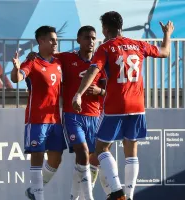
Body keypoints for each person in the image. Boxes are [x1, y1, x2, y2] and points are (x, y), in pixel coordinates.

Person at [72, 11, 174, 200]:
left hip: (116, 105)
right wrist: (167, 33)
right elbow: (166, 52)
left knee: (101, 148)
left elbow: (93, 71)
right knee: (131, 151)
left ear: (105, 28)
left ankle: (118, 191)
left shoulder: (106, 47)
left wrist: (78, 93)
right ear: (121, 26)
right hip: (138, 105)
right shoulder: (139, 44)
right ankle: (129, 195)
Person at [27, 26, 111, 200]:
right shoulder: (66, 58)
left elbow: (111, 90)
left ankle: (62, 194)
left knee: (90, 159)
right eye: (87, 38)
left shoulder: (101, 62)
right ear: (79, 40)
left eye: (94, 38)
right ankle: (88, 197)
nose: (91, 42)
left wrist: (100, 92)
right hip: (72, 115)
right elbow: (45, 58)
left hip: (95, 116)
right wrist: (32, 55)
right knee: (83, 153)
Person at [11, 26, 67, 200]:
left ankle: (34, 190)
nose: (55, 43)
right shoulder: (32, 61)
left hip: (55, 119)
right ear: (40, 41)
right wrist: (16, 68)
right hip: (37, 118)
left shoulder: (59, 62)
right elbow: (17, 77)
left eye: (56, 40)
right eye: (51, 40)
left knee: (56, 159)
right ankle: (39, 195)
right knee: (37, 155)